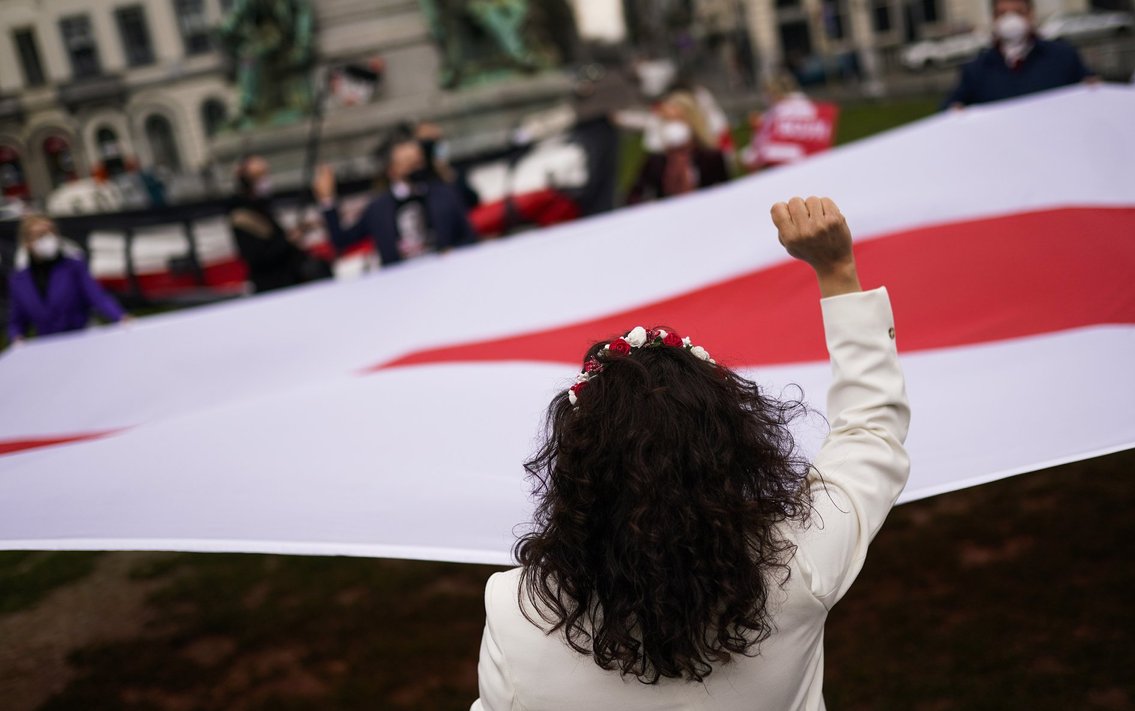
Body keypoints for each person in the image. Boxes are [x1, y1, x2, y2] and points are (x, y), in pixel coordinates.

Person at [473, 196, 911, 710]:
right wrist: (837, 271)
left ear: (577, 470)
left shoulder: (514, 611)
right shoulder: (801, 562)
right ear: (733, 447)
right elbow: (871, 431)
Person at [313, 138, 477, 265]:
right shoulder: (378, 208)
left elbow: (470, 236)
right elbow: (341, 241)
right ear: (392, 170)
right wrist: (327, 200)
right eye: (408, 163)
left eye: (418, 161)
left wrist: (454, 253)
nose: (416, 167)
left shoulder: (443, 194)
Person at [943, 0, 1094, 109]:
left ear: (1031, 15)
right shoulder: (976, 69)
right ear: (994, 19)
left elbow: (1091, 94)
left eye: (1018, 12)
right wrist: (954, 109)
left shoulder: (1063, 57)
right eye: (1003, 14)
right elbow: (951, 109)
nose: (1010, 20)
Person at [7, 213, 127, 343]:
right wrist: (16, 337)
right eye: (40, 235)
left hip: (83, 337)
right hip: (48, 346)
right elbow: (17, 320)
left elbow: (98, 297)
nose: (48, 238)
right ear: (27, 243)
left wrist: (120, 316)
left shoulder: (74, 266)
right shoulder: (19, 281)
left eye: (51, 232)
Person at [229, 155, 329, 293]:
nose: (265, 180)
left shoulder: (263, 207)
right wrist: (288, 240)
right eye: (259, 175)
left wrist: (298, 231)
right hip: (274, 284)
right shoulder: (242, 215)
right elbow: (260, 255)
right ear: (247, 181)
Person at [626, 91, 730, 204]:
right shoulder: (656, 161)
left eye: (678, 120)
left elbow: (726, 192)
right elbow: (635, 195)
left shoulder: (710, 157)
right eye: (668, 122)